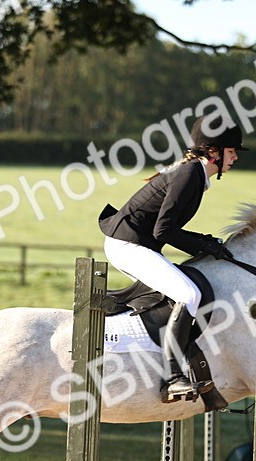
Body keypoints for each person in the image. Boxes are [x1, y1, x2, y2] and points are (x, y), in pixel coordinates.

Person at [98, 116, 246, 403]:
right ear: (213, 151)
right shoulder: (189, 173)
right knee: (189, 294)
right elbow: (163, 230)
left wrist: (205, 242)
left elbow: (168, 229)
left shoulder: (193, 173)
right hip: (126, 245)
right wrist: (205, 247)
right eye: (232, 151)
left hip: (136, 243)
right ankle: (172, 377)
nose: (236, 157)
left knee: (183, 291)